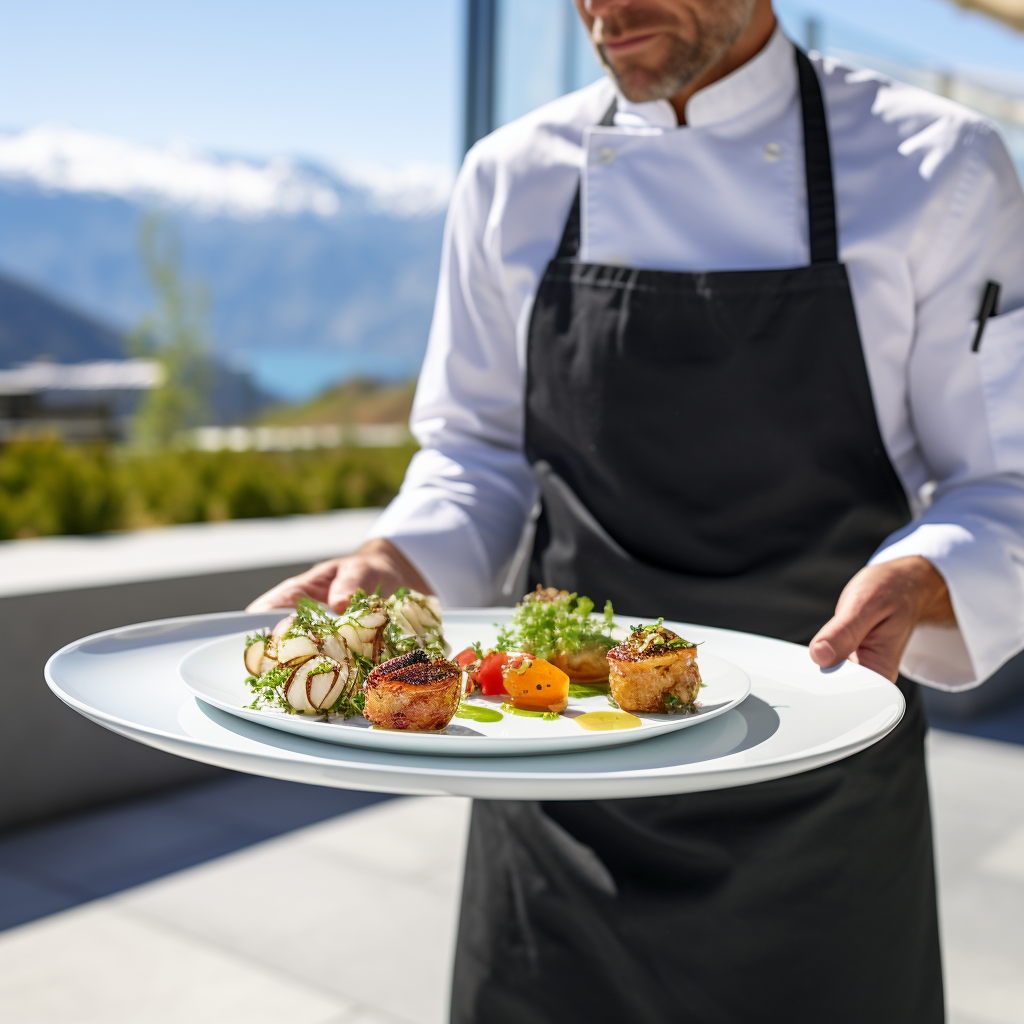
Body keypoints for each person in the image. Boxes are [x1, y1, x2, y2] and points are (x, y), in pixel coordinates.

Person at [251, 1, 1024, 1020]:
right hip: (555, 786)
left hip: (820, 789)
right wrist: (400, 559)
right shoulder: (509, 175)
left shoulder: (939, 166)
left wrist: (926, 577)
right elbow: (477, 453)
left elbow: (1003, 481)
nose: (606, 7)